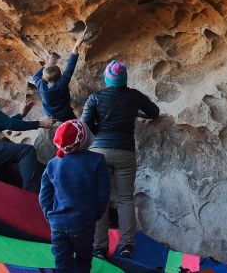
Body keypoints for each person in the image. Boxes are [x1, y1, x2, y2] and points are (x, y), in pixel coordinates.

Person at [81, 60, 160, 258]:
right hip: (125, 151)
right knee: (125, 199)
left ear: (107, 79)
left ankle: (99, 247)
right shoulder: (134, 96)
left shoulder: (96, 97)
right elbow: (154, 112)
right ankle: (126, 245)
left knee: (101, 199)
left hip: (99, 151)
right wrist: (135, 113)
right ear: (124, 79)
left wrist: (101, 128)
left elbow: (85, 126)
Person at [40, 119, 110, 273]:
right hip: (83, 222)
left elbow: (44, 197)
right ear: (84, 139)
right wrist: (94, 215)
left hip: (57, 223)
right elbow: (103, 195)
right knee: (83, 262)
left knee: (62, 265)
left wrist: (50, 217)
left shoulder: (52, 164)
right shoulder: (97, 161)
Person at [32, 31, 85, 122]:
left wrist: (48, 63)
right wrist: (76, 46)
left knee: (54, 112)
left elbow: (35, 76)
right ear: (60, 76)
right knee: (74, 122)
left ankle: (53, 120)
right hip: (64, 112)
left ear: (44, 78)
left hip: (48, 111)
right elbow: (70, 68)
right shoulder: (62, 84)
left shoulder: (40, 83)